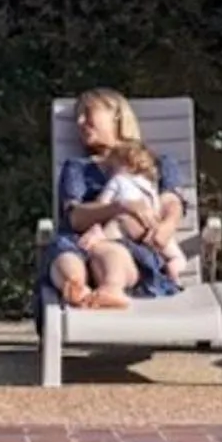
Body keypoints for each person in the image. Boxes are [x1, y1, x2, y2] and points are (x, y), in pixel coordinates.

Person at [42, 89, 187, 310]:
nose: (80, 122)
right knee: (65, 254)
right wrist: (119, 206)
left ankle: (110, 290)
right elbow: (75, 218)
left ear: (117, 116)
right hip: (80, 240)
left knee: (112, 253)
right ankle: (76, 288)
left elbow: (171, 202)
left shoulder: (158, 163)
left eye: (88, 113)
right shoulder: (78, 167)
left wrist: (166, 227)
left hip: (129, 244)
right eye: (77, 118)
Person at [75, 139, 188, 286]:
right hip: (152, 228)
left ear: (128, 165)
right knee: (178, 257)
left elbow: (102, 205)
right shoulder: (150, 187)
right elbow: (157, 208)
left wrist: (99, 218)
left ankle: (99, 237)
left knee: (112, 227)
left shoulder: (118, 180)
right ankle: (174, 273)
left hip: (126, 221)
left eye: (113, 167)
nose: (110, 173)